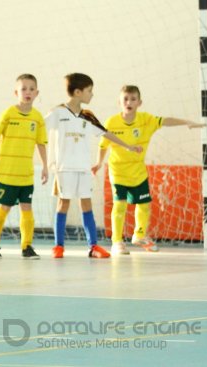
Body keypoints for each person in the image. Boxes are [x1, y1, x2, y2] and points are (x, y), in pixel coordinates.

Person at [92, 85, 204, 255]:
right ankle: (117, 242)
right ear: (119, 102)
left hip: (138, 172)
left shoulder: (146, 120)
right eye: (125, 99)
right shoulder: (111, 122)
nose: (129, 102)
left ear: (139, 102)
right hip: (118, 172)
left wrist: (187, 122)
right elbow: (103, 145)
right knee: (120, 206)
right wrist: (99, 163)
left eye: (133, 99)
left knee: (144, 205)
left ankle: (139, 235)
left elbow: (166, 121)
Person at [45, 73, 142, 259]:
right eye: (90, 91)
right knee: (63, 204)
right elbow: (39, 128)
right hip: (64, 169)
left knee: (86, 205)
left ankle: (93, 246)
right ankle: (58, 246)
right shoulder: (57, 112)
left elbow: (106, 134)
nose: (92, 94)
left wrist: (128, 146)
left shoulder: (88, 115)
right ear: (78, 92)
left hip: (83, 168)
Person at [0, 74, 48, 260]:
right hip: (6, 172)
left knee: (27, 208)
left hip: (26, 174)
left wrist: (45, 166)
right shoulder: (8, 114)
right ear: (16, 92)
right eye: (23, 89)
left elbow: (41, 144)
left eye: (31, 89)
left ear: (37, 93)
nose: (27, 92)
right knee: (5, 207)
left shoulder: (37, 118)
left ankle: (26, 246)